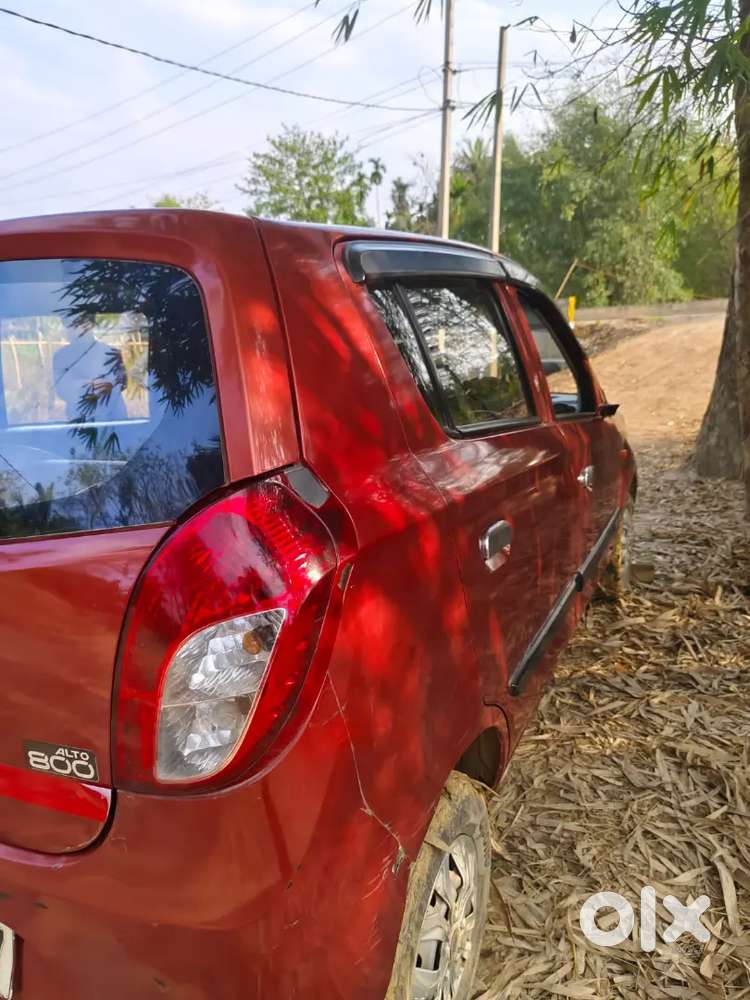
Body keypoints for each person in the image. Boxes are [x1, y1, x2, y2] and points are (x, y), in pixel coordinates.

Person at [53, 319, 128, 422]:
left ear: (90, 326)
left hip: (113, 418)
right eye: (68, 326)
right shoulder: (61, 356)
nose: (71, 330)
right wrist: (86, 385)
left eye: (76, 325)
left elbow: (123, 382)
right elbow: (61, 389)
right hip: (79, 420)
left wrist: (110, 384)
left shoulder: (111, 352)